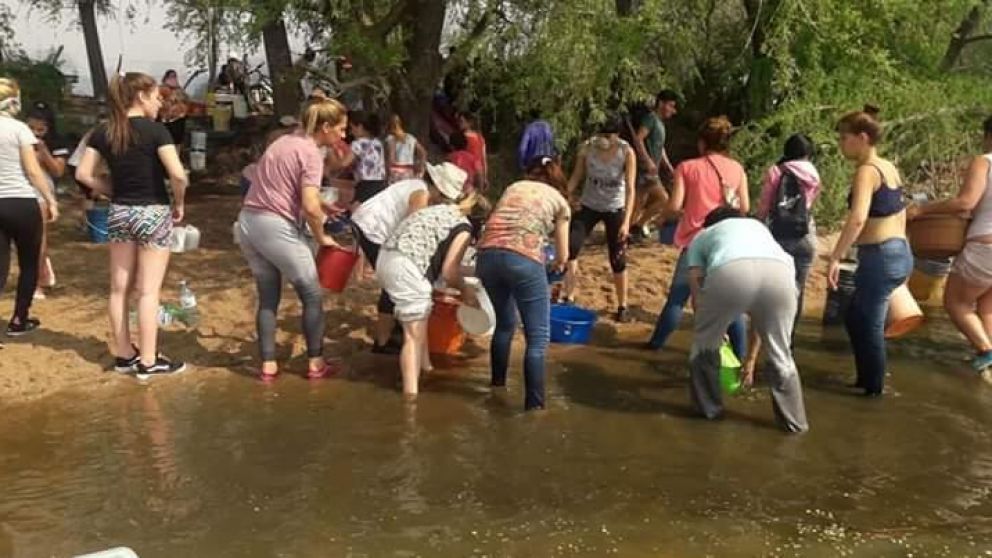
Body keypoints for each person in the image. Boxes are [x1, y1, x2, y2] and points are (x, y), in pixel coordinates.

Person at [75, 72, 188, 377]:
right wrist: (178, 202)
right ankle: (149, 361)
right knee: (148, 291)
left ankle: (124, 355)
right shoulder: (156, 132)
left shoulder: (104, 131)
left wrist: (113, 191)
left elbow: (84, 175)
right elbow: (177, 175)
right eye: (156, 97)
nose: (159, 103)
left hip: (120, 211)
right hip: (153, 211)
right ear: (140, 96)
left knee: (118, 289)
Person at [237, 99, 347, 380]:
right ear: (325, 127)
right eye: (341, 129)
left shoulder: (283, 142)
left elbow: (286, 186)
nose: (343, 135)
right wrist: (323, 238)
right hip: (275, 226)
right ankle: (316, 363)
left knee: (268, 296)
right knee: (311, 294)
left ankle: (268, 366)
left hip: (249, 222)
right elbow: (309, 207)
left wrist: (323, 203)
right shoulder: (311, 153)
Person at [686, 207, 809, 433]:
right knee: (781, 355)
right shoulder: (758, 228)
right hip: (781, 275)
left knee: (703, 348)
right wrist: (750, 359)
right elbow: (759, 318)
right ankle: (795, 425)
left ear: (709, 224)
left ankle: (709, 414)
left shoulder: (702, 236)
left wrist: (712, 325)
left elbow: (697, 291)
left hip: (729, 271)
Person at [646, 116, 749, 356]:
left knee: (677, 300)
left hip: (696, 242)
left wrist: (682, 213)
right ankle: (742, 360)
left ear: (702, 143)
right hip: (727, 243)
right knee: (731, 304)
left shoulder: (688, 167)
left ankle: (654, 347)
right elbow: (744, 207)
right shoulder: (737, 169)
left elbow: (673, 207)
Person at [375, 163, 481, 399]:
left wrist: (468, 274)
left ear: (437, 190)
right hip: (406, 268)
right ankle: (410, 400)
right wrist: (466, 292)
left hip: (386, 259)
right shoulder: (462, 226)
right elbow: (450, 272)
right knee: (412, 337)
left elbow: (441, 262)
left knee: (420, 321)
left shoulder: (427, 212)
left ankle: (427, 369)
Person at [827, 106, 911, 398]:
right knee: (854, 316)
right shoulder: (889, 167)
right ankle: (865, 380)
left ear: (862, 138)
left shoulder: (866, 171)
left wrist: (836, 256)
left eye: (843, 137)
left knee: (870, 322)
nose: (841, 144)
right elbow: (900, 212)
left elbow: (858, 217)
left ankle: (873, 391)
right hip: (895, 251)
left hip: (882, 254)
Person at [477, 156, 571, 410]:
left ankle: (497, 387)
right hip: (523, 260)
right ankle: (534, 408)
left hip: (486, 256)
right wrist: (554, 268)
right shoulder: (561, 203)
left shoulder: (514, 187)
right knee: (538, 339)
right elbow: (563, 256)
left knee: (505, 324)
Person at [908, 115, 992, 372]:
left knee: (956, 302)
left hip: (986, 246)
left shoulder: (984, 162)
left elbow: (965, 202)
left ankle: (987, 351)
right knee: (987, 305)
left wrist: (922, 209)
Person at [561, 116, 637, 322]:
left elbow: (631, 189)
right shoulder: (587, 149)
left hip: (615, 207)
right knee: (572, 247)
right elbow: (577, 176)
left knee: (618, 258)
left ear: (617, 136)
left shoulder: (626, 152)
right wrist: (563, 197)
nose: (604, 139)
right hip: (589, 205)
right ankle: (569, 294)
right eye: (601, 134)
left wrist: (626, 221)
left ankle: (622, 306)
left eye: (608, 135)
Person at [0, 78, 59, 342]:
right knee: (28, 263)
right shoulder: (20, 129)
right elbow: (33, 171)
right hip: (22, 202)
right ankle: (18, 319)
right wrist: (50, 199)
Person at [350, 171, 434, 353]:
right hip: (372, 228)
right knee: (393, 281)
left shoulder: (415, 185)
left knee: (394, 280)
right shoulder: (421, 194)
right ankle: (382, 342)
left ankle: (393, 329)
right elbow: (411, 228)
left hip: (367, 222)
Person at [755, 133, 821, 341]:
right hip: (805, 236)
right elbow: (810, 205)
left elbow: (765, 206)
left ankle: (769, 335)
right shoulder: (813, 173)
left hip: (779, 237)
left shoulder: (776, 171)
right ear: (807, 154)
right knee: (798, 290)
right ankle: (788, 338)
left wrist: (757, 224)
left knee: (772, 288)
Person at [25, 101, 70, 299]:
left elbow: (58, 170)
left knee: (38, 238)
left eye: (40, 129)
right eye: (31, 128)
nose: (35, 132)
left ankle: (36, 282)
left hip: (40, 190)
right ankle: (41, 270)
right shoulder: (17, 139)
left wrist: (42, 151)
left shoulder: (57, 143)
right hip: (15, 188)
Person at [630, 90, 678, 241]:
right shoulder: (651, 119)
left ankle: (635, 227)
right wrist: (647, 160)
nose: (673, 110)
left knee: (644, 200)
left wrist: (669, 167)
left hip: (652, 171)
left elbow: (660, 148)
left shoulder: (661, 125)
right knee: (653, 199)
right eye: (670, 106)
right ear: (661, 104)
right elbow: (639, 139)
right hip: (645, 170)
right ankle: (633, 228)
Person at [349, 111, 386, 202]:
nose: (351, 132)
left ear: (360, 127)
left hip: (365, 183)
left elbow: (344, 162)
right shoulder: (378, 143)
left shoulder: (358, 144)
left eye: (352, 128)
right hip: (379, 182)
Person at [385, 114, 426, 184]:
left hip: (396, 173)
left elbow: (391, 158)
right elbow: (423, 152)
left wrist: (387, 172)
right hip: (409, 172)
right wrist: (421, 167)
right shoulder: (411, 138)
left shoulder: (390, 139)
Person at [457, 112, 488, 189]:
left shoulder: (463, 137)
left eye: (462, 122)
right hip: (478, 171)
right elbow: (483, 159)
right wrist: (485, 177)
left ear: (469, 123)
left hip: (467, 170)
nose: (459, 124)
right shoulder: (480, 138)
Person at [159, 70, 188, 147]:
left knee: (177, 141)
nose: (173, 79)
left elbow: (185, 100)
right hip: (165, 120)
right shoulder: (161, 89)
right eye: (171, 76)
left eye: (174, 76)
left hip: (178, 119)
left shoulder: (180, 90)